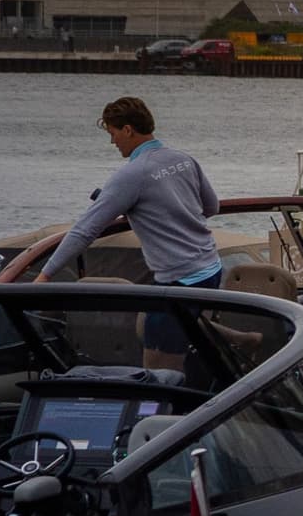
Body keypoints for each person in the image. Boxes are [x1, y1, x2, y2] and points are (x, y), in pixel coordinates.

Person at [37, 98, 221, 355]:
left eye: (113, 134)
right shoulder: (183, 159)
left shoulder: (131, 175)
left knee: (156, 353)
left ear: (127, 130)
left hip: (181, 278)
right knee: (185, 325)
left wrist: (45, 275)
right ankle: (244, 339)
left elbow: (84, 230)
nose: (113, 142)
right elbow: (212, 207)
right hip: (211, 268)